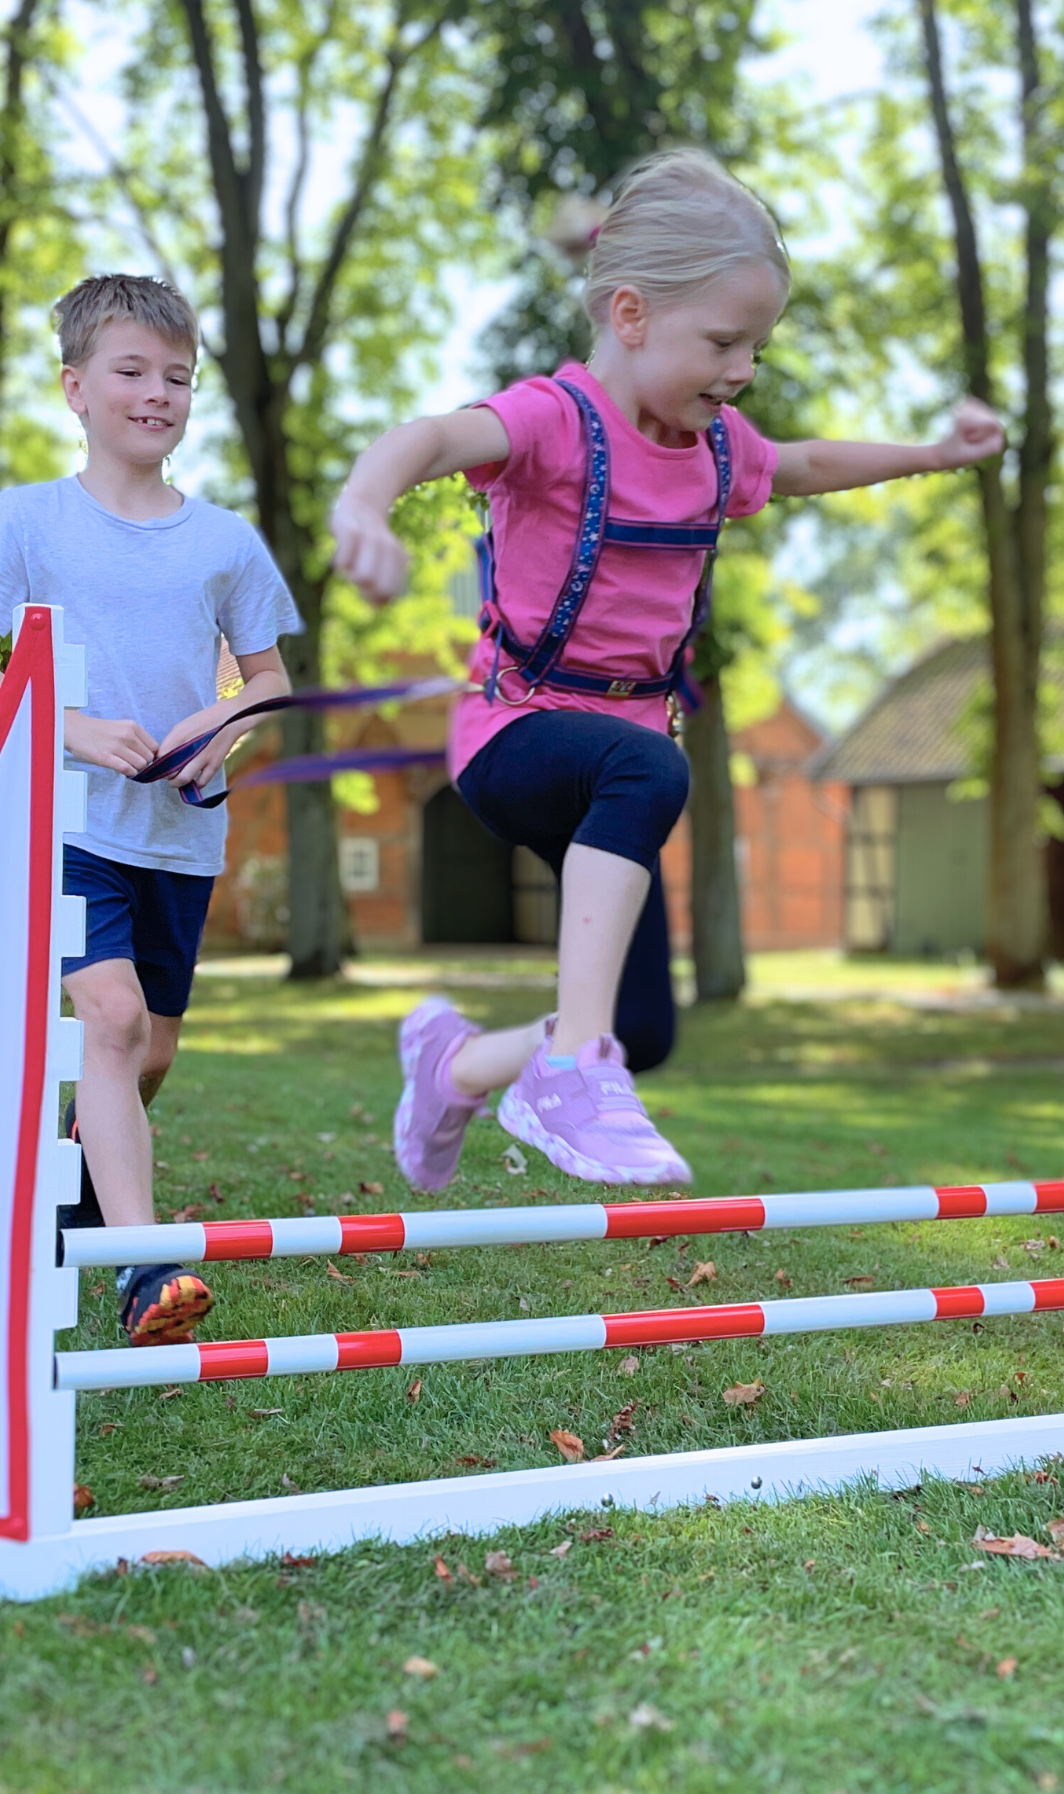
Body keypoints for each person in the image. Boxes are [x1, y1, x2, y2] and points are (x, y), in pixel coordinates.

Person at [332, 151, 1004, 1190]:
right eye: (723, 342)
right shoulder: (554, 421)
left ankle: (455, 1064)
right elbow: (428, 437)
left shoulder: (717, 451)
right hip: (513, 739)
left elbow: (808, 463)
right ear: (633, 314)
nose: (739, 370)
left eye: (756, 350)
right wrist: (360, 507)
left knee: (640, 1026)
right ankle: (567, 1065)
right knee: (646, 772)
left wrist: (932, 452)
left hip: (615, 758)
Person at [0, 274, 301, 1342]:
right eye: (131, 372)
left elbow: (267, 682)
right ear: (75, 388)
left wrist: (213, 729)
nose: (157, 394)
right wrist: (72, 727)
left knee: (150, 1052)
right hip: (67, 825)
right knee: (114, 1019)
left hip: (179, 838)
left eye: (177, 377)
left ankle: (67, 1198)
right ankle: (143, 1270)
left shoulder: (224, 543)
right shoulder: (25, 522)